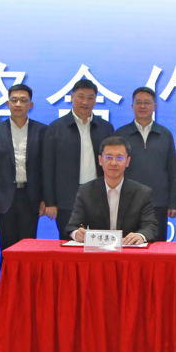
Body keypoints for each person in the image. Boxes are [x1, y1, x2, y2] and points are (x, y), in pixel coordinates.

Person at [42, 78, 115, 239]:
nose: (85, 102)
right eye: (81, 96)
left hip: (99, 197)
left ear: (95, 100)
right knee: (69, 243)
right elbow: (47, 167)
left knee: (99, 244)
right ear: (72, 97)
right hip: (66, 199)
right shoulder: (56, 128)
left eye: (90, 97)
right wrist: (50, 202)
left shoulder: (106, 128)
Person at [0, 84, 47, 267]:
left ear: (31, 105)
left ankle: (27, 286)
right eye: (14, 100)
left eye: (23, 100)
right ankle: (7, 285)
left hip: (31, 197)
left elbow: (45, 167)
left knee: (29, 249)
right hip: (5, 198)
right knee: (7, 250)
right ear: (8, 103)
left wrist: (45, 198)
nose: (18, 104)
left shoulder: (42, 130)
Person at [65, 136, 159, 245]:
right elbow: (72, 225)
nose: (113, 163)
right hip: (98, 251)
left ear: (128, 161)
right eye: (108, 157)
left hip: (129, 250)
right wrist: (76, 233)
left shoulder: (142, 193)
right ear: (100, 160)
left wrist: (140, 235)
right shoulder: (86, 191)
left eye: (119, 158)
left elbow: (150, 226)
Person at [115, 87, 176, 241]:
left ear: (154, 106)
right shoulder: (120, 134)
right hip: (127, 202)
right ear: (132, 106)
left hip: (158, 201)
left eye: (147, 103)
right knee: (128, 245)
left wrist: (173, 202)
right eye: (138, 102)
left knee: (157, 247)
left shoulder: (165, 134)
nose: (142, 106)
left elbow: (172, 169)